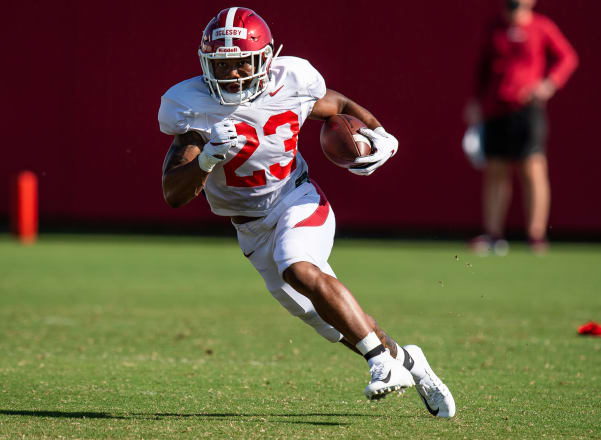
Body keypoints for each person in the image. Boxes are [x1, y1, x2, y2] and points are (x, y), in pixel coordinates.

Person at [158, 7, 455, 417]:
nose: (233, 73)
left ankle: (380, 362)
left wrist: (380, 135)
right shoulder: (191, 107)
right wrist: (207, 159)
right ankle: (409, 362)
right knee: (330, 322)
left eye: (243, 61)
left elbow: (340, 105)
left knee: (295, 264)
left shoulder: (291, 80)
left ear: (266, 58)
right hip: (250, 228)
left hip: (296, 198)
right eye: (223, 64)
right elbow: (174, 192)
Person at [466, 0, 578, 255]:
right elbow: (482, 66)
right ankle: (494, 235)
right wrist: (475, 101)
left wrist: (548, 85)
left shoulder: (542, 26)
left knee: (532, 168)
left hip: (527, 110)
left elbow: (567, 57)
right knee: (496, 169)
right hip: (496, 108)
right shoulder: (495, 26)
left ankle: (535, 236)